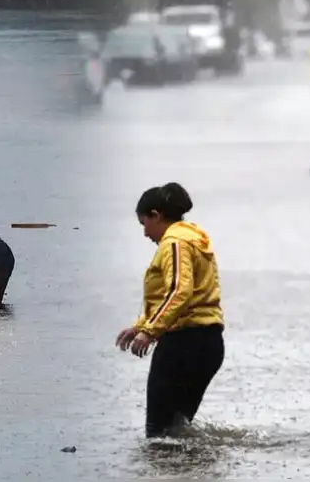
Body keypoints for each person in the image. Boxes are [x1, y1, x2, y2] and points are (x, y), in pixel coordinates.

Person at [115, 182, 225, 438]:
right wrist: (141, 326)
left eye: (144, 224)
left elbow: (179, 291)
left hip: (182, 345)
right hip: (209, 344)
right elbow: (181, 294)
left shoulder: (174, 243)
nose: (145, 233)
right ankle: (194, 474)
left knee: (157, 435)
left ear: (157, 215)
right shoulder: (195, 238)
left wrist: (150, 332)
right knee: (176, 431)